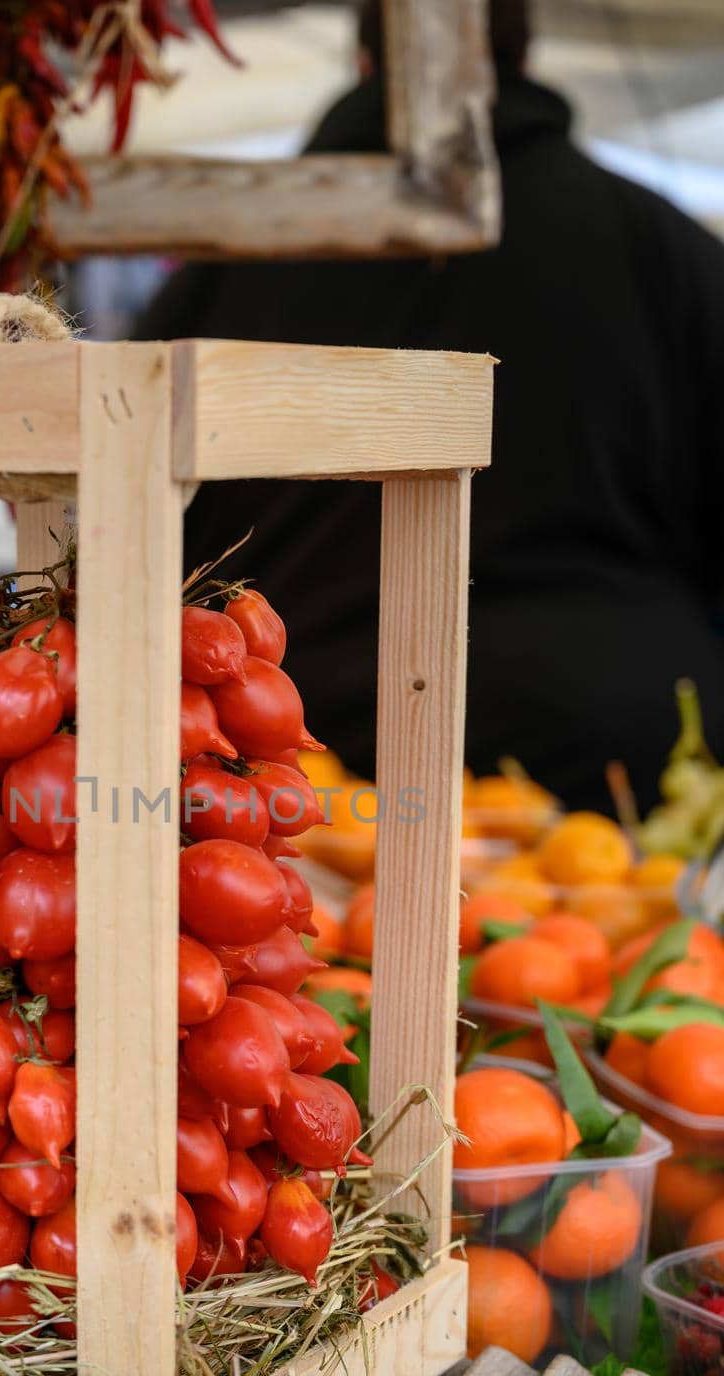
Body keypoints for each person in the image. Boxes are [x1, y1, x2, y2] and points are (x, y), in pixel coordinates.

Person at [134, 0, 724, 814]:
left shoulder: (234, 261)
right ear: (524, 57)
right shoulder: (663, 249)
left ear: (366, 65)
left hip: (297, 757)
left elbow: (144, 516)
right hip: (615, 749)